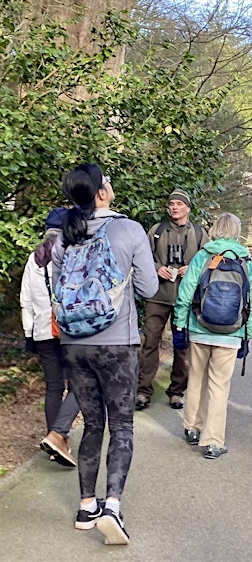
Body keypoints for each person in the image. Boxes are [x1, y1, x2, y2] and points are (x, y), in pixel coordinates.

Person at [50, 164, 159, 545]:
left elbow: (58, 290)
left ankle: (85, 507)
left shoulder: (64, 235)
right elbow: (147, 287)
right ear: (100, 193)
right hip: (116, 342)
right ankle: (112, 506)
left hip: (74, 343)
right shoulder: (128, 229)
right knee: (122, 426)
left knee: (92, 424)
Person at [174, 212, 252, 459]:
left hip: (200, 329)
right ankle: (212, 441)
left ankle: (192, 427)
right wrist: (247, 334)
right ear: (236, 231)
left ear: (214, 230)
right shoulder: (244, 260)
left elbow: (187, 292)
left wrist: (180, 325)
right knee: (219, 387)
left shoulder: (203, 255)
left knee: (196, 378)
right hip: (231, 334)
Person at [19, 206, 80, 467]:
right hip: (70, 330)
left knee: (54, 386)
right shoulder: (72, 254)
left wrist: (29, 333)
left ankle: (55, 441)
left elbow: (26, 301)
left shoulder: (34, 259)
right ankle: (59, 435)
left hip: (44, 331)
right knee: (80, 384)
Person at [136, 189, 207, 411]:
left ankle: (177, 391)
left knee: (182, 346)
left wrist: (192, 268)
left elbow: (209, 260)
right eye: (171, 204)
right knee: (149, 343)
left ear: (188, 207)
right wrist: (157, 268)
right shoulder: (156, 231)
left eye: (179, 204)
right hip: (158, 295)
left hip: (185, 298)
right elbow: (141, 256)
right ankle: (142, 391)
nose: (174, 207)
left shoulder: (198, 232)